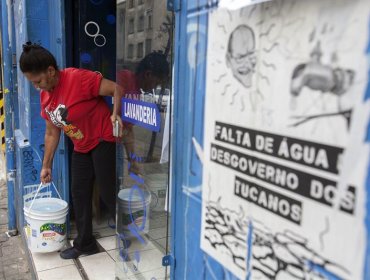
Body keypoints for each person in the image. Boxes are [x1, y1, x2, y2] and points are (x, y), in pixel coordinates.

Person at [20, 42, 123, 259]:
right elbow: (51, 132)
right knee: (79, 192)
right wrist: (46, 165)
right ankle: (85, 244)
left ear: (50, 71)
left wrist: (115, 114)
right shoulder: (45, 96)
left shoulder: (77, 78)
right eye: (33, 83)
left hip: (103, 137)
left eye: (38, 81)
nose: (37, 87)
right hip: (81, 145)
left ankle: (129, 234)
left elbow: (116, 89)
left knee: (108, 191)